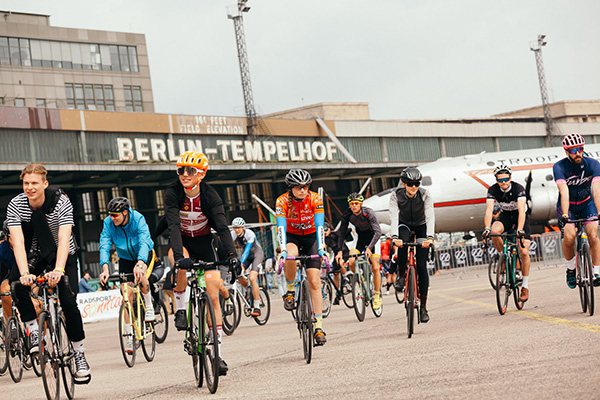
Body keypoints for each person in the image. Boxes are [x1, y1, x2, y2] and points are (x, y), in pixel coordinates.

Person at [6, 163, 90, 379]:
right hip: (36, 253)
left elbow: (63, 238)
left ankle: (79, 353)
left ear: (45, 184)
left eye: (34, 183)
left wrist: (59, 269)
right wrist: (25, 273)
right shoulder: (16, 205)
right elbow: (18, 240)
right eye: (26, 183)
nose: (30, 187)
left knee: (69, 302)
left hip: (64, 254)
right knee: (16, 284)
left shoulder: (61, 202)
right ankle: (33, 330)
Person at [164, 150, 237, 375]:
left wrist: (233, 256)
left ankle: (217, 355)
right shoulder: (173, 192)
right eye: (181, 170)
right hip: (182, 241)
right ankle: (182, 310)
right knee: (180, 268)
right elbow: (174, 227)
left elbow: (222, 228)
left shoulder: (210, 195)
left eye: (190, 171)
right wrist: (178, 257)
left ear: (201, 174)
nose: (184, 174)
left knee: (213, 293)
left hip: (205, 241)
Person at [276, 168, 328, 345]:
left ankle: (319, 327)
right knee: (291, 254)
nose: (302, 190)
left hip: (311, 236)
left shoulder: (315, 199)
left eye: (305, 187)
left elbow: (320, 225)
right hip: (292, 236)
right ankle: (290, 290)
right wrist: (282, 249)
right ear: (290, 187)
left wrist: (321, 247)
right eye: (298, 187)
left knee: (314, 281)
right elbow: (281, 227)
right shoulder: (282, 201)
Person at [98, 196, 156, 333]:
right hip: (125, 258)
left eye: (115, 215)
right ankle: (129, 333)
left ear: (125, 212)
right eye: (110, 215)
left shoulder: (138, 218)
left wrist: (140, 262)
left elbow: (144, 240)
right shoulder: (108, 223)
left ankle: (149, 306)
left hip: (144, 253)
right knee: (126, 296)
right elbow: (104, 245)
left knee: (141, 275)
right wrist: (105, 268)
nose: (112, 218)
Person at [553, 133, 600, 288]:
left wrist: (599, 212)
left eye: (580, 149)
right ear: (567, 152)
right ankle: (571, 268)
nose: (578, 153)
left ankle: (597, 271)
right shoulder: (559, 167)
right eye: (573, 150)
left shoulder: (593, 164)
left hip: (587, 204)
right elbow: (564, 192)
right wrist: (565, 215)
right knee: (569, 236)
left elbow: (596, 189)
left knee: (593, 234)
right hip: (568, 206)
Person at [389, 167, 435, 323]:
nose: (414, 187)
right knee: (402, 243)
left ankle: (423, 307)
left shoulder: (425, 194)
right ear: (404, 183)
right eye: (410, 184)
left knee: (421, 267)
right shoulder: (395, 195)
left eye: (416, 183)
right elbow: (394, 217)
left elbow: (430, 216)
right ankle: (401, 275)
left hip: (421, 226)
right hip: (404, 225)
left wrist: (429, 238)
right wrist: (394, 237)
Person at [482, 164, 531, 301]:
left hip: (520, 217)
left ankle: (525, 287)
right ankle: (502, 256)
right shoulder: (492, 190)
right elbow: (489, 210)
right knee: (494, 231)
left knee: (524, 251)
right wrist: (486, 228)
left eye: (506, 179)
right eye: (500, 180)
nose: (503, 182)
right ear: (496, 180)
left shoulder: (518, 189)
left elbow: (521, 211)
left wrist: (520, 230)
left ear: (510, 178)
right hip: (506, 216)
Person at [336, 192, 383, 310]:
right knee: (351, 262)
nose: (354, 206)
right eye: (351, 204)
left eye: (356, 203)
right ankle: (360, 279)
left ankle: (377, 296)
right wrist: (339, 251)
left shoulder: (368, 213)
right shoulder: (347, 214)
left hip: (373, 238)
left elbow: (378, 232)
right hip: (360, 238)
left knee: (375, 267)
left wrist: (369, 248)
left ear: (361, 204)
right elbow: (341, 233)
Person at [230, 217, 264, 316]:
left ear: (243, 227)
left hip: (256, 255)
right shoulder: (233, 234)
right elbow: (227, 247)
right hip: (248, 257)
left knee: (252, 278)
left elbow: (247, 250)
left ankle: (257, 307)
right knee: (238, 273)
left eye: (239, 228)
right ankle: (248, 289)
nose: (237, 230)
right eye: (235, 228)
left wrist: (241, 262)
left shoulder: (249, 234)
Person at [324, 221, 350, 305]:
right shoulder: (324, 239)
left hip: (344, 252)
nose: (324, 232)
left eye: (326, 230)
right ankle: (337, 292)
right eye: (322, 231)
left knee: (340, 263)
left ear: (329, 229)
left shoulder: (335, 234)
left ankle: (346, 277)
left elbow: (345, 231)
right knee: (335, 273)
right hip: (336, 255)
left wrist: (350, 228)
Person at [0, 220, 16, 320]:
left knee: (37, 304)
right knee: (4, 290)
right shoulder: (3, 248)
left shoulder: (31, 243)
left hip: (33, 274)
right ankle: (12, 324)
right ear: (6, 237)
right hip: (13, 275)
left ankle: (40, 334)